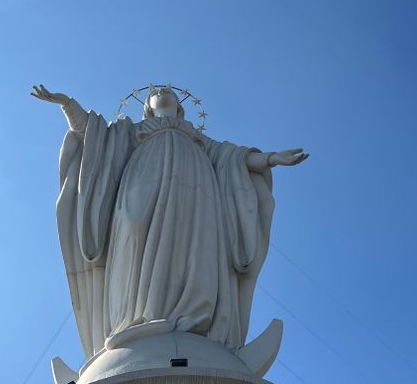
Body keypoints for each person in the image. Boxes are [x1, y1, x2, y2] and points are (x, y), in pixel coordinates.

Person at [32, 84, 308, 359]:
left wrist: (271, 158)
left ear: (179, 106)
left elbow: (235, 158)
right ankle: (136, 317)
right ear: (147, 106)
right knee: (133, 229)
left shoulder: (196, 139)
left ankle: (192, 315)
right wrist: (67, 103)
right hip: (141, 179)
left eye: (168, 92)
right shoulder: (131, 131)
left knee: (194, 243)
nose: (162, 92)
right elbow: (91, 133)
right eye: (156, 92)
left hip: (197, 188)